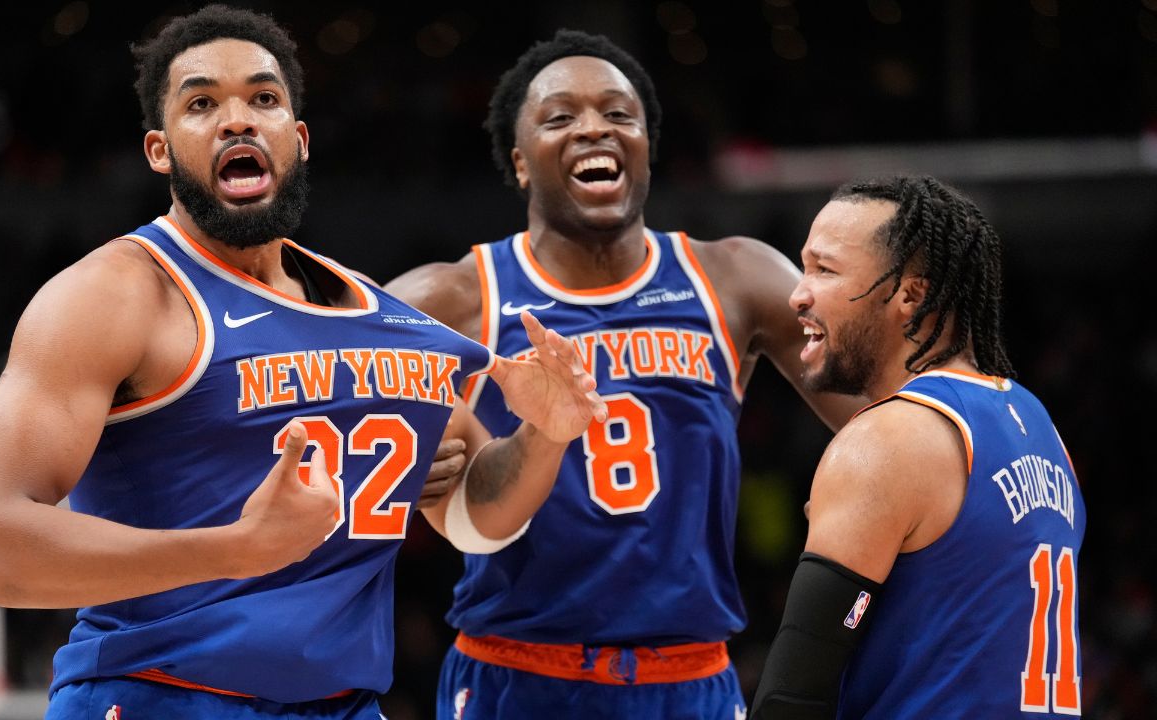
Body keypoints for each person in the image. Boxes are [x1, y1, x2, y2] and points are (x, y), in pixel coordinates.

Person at [0, 6, 606, 719]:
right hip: (156, 698)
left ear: (298, 139)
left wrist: (545, 436)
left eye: (263, 98)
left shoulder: (383, 322)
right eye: (202, 103)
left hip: (345, 705)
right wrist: (235, 550)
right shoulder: (112, 296)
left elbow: (479, 523)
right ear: (159, 150)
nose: (237, 119)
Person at [386, 30, 861, 720]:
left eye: (618, 113)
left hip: (691, 675)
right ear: (520, 163)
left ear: (645, 146)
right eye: (560, 117)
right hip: (517, 674)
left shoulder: (734, 278)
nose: (593, 128)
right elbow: (309, 402)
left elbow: (884, 416)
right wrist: (399, 468)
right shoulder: (453, 299)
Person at [748, 176, 1085, 719]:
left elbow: (792, 697)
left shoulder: (887, 440)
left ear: (909, 295)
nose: (797, 294)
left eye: (824, 270)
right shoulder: (1038, 423)